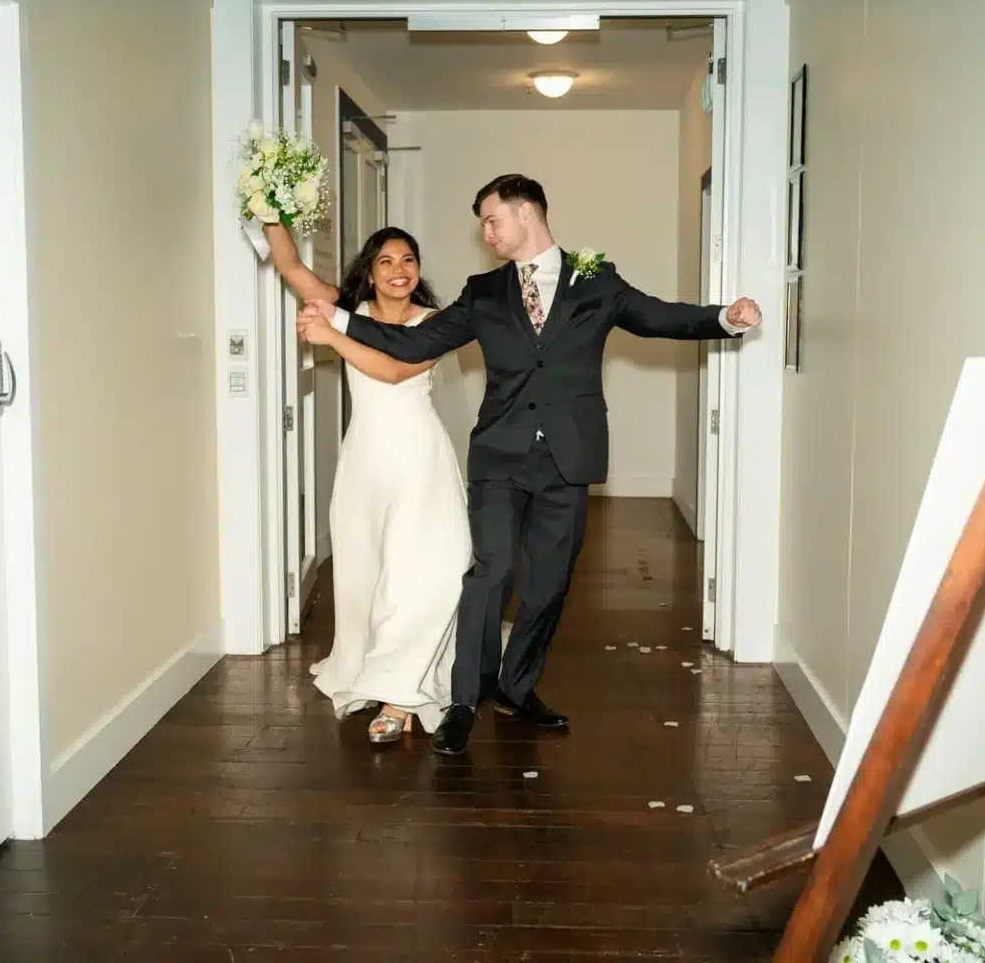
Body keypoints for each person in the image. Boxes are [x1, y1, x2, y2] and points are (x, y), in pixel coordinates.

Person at [295, 174, 762, 756]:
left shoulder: (596, 280)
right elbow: (415, 343)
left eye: (491, 221)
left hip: (570, 456)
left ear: (526, 215)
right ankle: (464, 702)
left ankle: (517, 689)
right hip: (499, 455)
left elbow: (657, 316)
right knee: (489, 573)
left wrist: (725, 318)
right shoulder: (484, 292)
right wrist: (339, 321)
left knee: (548, 586)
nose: (486, 235)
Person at [261, 221, 471, 745]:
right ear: (369, 272)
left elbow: (396, 370)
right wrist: (271, 205)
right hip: (365, 463)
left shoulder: (435, 321)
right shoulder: (348, 309)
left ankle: (400, 693)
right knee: (364, 572)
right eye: (386, 262)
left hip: (419, 460)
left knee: (426, 571)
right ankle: (367, 667)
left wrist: (331, 335)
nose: (399, 271)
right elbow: (290, 267)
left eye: (408, 260)